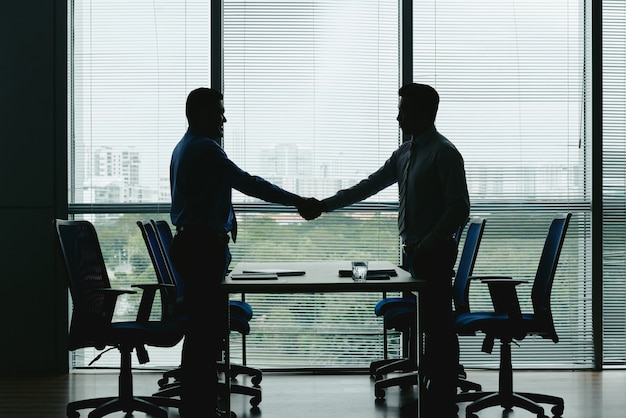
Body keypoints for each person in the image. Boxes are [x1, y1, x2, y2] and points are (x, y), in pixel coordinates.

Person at [301, 83, 470, 417]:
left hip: (433, 254)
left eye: (404, 110)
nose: (398, 117)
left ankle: (443, 397)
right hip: (415, 253)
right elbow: (368, 186)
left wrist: (429, 242)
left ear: (425, 113)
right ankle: (434, 390)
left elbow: (459, 209)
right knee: (430, 324)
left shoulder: (444, 152)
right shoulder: (404, 153)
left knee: (438, 325)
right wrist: (324, 205)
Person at [169, 87, 317, 417]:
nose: (224, 118)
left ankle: (197, 406)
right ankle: (201, 409)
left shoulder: (185, 146)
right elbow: (249, 183)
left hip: (195, 245)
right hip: (201, 249)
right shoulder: (205, 148)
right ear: (199, 113)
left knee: (201, 333)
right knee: (204, 334)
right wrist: (298, 201)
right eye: (218, 111)